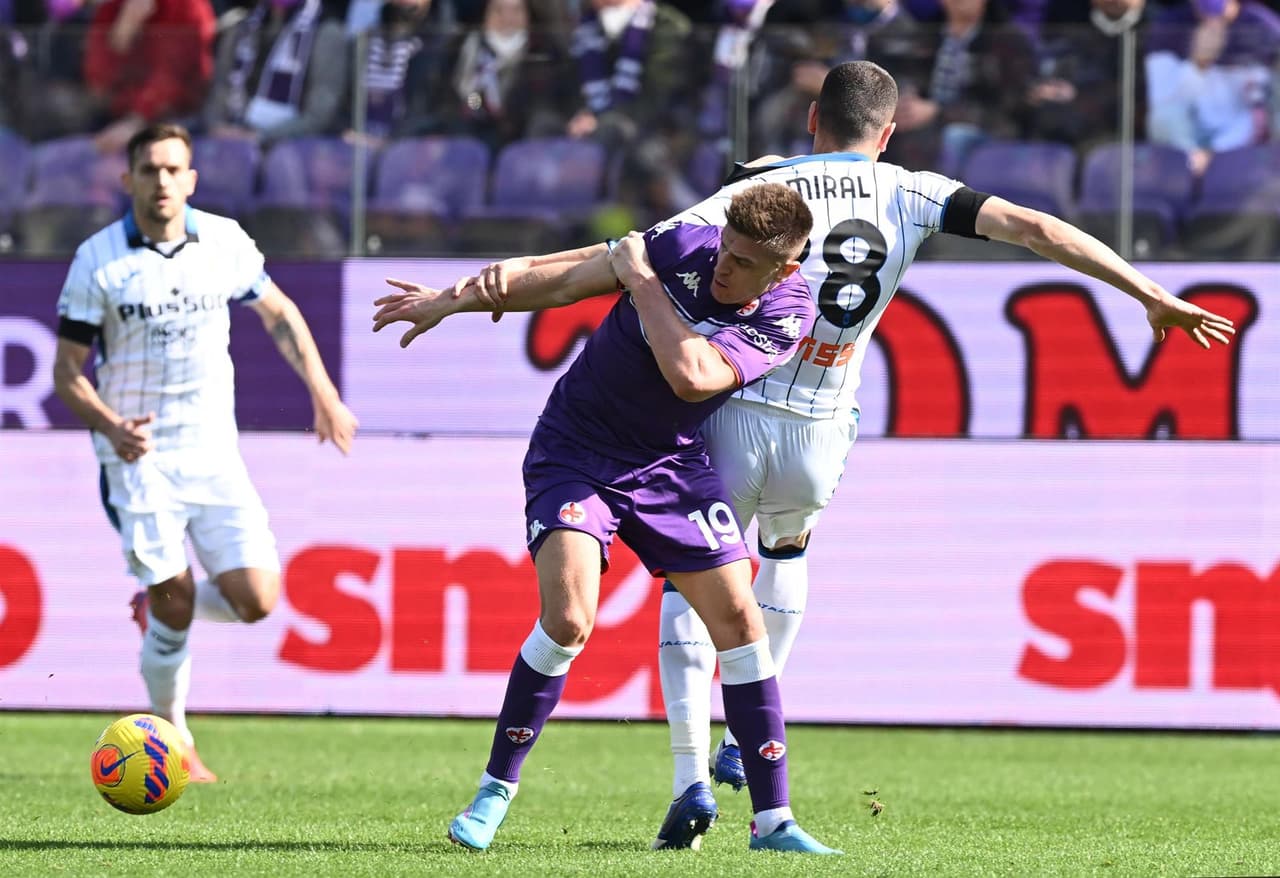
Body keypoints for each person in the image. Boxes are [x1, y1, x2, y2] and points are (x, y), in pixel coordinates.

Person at [462, 60, 1238, 850]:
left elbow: (625, 256)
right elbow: (1038, 228)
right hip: (822, 422)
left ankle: (690, 772)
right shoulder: (915, 190)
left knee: (696, 595)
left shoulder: (761, 188)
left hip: (733, 408)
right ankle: (747, 756)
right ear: (889, 132)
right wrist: (1147, 291)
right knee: (780, 555)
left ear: (812, 120)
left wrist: (471, 292)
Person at [372, 183, 843, 855]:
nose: (723, 267)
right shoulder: (685, 244)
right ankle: (494, 792)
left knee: (741, 622)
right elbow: (559, 280)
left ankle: (774, 823)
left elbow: (692, 377)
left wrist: (643, 282)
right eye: (725, 250)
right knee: (569, 621)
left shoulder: (790, 310)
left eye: (742, 263)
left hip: (670, 466)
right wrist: (448, 302)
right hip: (577, 452)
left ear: (785, 270)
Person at [52, 122, 359, 782]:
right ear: (127, 179)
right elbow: (67, 374)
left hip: (215, 450)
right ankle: (175, 741)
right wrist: (111, 425)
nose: (161, 181)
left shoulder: (222, 241)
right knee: (176, 597)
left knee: (258, 601)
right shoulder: (98, 261)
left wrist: (324, 394)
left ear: (190, 179)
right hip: (137, 459)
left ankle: (159, 607)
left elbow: (278, 312)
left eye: (173, 169)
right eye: (149, 170)